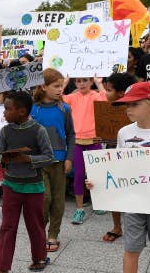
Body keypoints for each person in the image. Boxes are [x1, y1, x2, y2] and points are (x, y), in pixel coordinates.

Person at [91, 81, 150, 273]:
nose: (128, 109)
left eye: (134, 104)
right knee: (131, 248)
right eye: (127, 104)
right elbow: (117, 166)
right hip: (133, 201)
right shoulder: (124, 132)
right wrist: (98, 181)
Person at [0, 91, 54, 272]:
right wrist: (5, 158)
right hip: (11, 186)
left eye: (7, 109)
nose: (4, 113)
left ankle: (39, 259)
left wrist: (28, 159)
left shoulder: (38, 130)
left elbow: (49, 157)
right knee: (7, 226)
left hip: (34, 187)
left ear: (21, 111)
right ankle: (3, 266)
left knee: (35, 225)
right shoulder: (5, 131)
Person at [31, 68, 75, 253]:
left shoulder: (64, 108)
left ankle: (53, 234)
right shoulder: (33, 108)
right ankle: (41, 229)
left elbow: (71, 134)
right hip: (39, 162)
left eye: (61, 85)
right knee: (44, 198)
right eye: (56, 86)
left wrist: (69, 157)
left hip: (59, 161)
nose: (60, 89)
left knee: (58, 200)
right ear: (43, 86)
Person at [61, 76, 107, 224]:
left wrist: (99, 83)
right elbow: (58, 99)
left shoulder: (95, 95)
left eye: (85, 80)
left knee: (97, 173)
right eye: (78, 81)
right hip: (77, 141)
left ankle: (99, 203)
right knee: (79, 175)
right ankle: (79, 209)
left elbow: (106, 102)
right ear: (75, 83)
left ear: (91, 82)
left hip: (94, 139)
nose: (81, 83)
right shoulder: (72, 97)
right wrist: (65, 83)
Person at [100, 72, 137, 244]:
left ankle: (137, 223)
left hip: (134, 152)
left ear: (121, 93)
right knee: (112, 186)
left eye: (109, 90)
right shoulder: (106, 110)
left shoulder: (136, 108)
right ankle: (117, 226)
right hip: (112, 148)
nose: (105, 93)